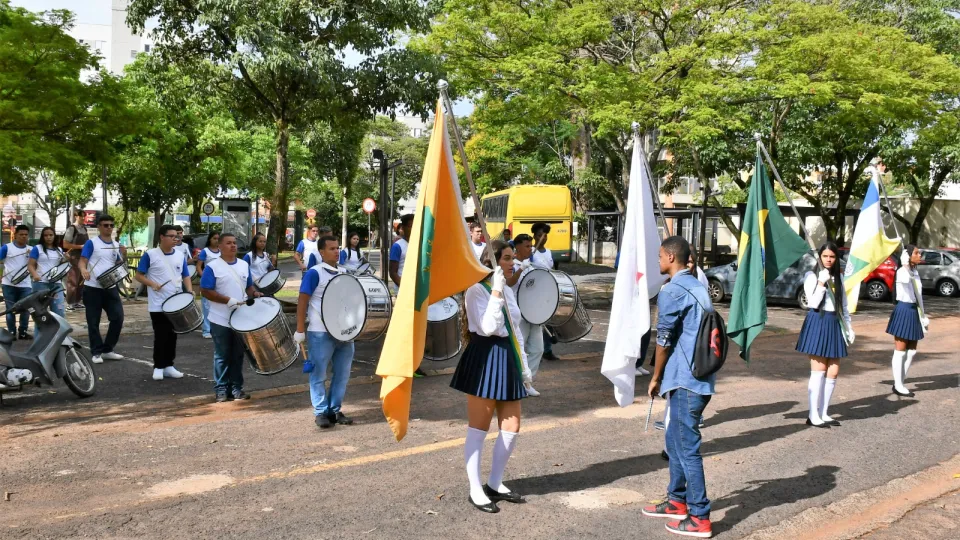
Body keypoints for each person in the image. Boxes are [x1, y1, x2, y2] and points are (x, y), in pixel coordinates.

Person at [449, 240, 531, 513]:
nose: (512, 263)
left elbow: (515, 328)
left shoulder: (505, 288)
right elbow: (488, 327)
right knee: (479, 427)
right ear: (493, 261)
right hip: (485, 358)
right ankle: (475, 488)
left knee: (512, 426)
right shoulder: (476, 290)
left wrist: (525, 366)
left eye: (512, 258)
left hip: (507, 358)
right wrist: (495, 291)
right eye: (507, 258)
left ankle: (495, 482)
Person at [642, 236, 715, 538]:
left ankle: (700, 516)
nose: (658, 260)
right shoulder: (699, 286)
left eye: (660, 255)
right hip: (698, 377)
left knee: (687, 449)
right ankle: (676, 501)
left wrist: (655, 376)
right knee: (674, 442)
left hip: (686, 380)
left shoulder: (672, 291)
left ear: (671, 257)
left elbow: (663, 340)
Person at [293, 235, 356, 429]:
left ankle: (334, 410)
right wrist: (300, 330)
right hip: (320, 332)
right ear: (321, 252)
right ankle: (320, 412)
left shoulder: (345, 273)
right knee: (318, 374)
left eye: (338, 248)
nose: (336, 251)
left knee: (342, 374)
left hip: (344, 332)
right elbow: (303, 300)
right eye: (331, 249)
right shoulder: (314, 273)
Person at [795, 241, 852, 428]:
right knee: (818, 371)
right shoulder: (811, 276)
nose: (828, 259)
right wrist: (821, 282)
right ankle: (813, 414)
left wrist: (849, 328)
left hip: (834, 322)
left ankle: (824, 412)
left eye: (832, 256)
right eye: (825, 256)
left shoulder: (839, 277)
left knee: (833, 370)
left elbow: (844, 306)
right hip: (818, 321)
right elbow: (812, 302)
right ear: (819, 257)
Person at [199, 233, 262, 402]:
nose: (233, 246)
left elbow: (248, 286)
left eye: (234, 243)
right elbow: (205, 291)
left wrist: (255, 293)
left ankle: (236, 388)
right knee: (222, 355)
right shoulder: (212, 267)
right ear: (219, 246)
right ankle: (221, 389)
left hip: (240, 318)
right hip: (220, 318)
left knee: (238, 354)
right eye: (228, 243)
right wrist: (227, 300)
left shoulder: (242, 265)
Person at [135, 224, 192, 381]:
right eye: (172, 236)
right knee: (161, 335)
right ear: (162, 237)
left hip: (176, 303)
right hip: (158, 304)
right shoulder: (151, 255)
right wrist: (152, 284)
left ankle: (169, 365)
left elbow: (185, 275)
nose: (176, 239)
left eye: (177, 236)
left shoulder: (180, 255)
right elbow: (138, 276)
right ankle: (158, 367)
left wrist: (189, 289)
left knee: (173, 335)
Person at [79, 214, 127, 364]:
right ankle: (96, 352)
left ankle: (108, 349)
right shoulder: (91, 243)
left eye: (111, 225)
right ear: (99, 227)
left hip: (110, 287)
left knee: (118, 318)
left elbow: (119, 263)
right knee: (93, 322)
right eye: (105, 225)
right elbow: (82, 261)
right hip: (92, 287)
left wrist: (123, 255)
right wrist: (83, 270)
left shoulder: (115, 244)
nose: (109, 228)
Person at [886, 245, 926, 397]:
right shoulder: (903, 271)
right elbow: (904, 280)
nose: (919, 254)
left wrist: (923, 315)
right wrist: (904, 265)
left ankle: (901, 380)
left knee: (912, 351)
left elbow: (919, 295)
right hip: (903, 309)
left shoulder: (915, 272)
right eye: (916, 253)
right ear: (908, 256)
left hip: (914, 310)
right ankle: (898, 384)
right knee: (900, 350)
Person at [506, 233, 541, 396]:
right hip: (519, 314)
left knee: (538, 349)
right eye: (527, 246)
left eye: (531, 246)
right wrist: (521, 268)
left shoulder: (531, 265)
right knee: (520, 350)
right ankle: (518, 382)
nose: (530, 249)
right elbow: (509, 282)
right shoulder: (512, 264)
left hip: (534, 313)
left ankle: (528, 382)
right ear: (518, 247)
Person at [530, 222, 559, 361]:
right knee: (535, 321)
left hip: (548, 289)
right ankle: (533, 350)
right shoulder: (530, 252)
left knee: (548, 320)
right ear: (534, 236)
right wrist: (534, 247)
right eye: (539, 235)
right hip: (535, 290)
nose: (543, 238)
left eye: (545, 235)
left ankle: (547, 350)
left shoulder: (548, 252)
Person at [1, 225, 35, 339]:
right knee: (10, 309)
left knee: (26, 309)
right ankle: (11, 332)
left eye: (26, 235)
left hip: (25, 285)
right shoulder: (7, 248)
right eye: (21, 234)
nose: (23, 237)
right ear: (15, 235)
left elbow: (38, 265)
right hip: (8, 284)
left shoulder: (31, 249)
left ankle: (23, 332)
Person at [27, 226, 67, 321]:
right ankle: (40, 335)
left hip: (56, 284)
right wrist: (35, 275)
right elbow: (30, 265)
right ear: (42, 237)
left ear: (54, 236)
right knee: (40, 313)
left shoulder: (59, 250)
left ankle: (59, 335)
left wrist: (66, 259)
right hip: (41, 283)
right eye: (46, 235)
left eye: (51, 235)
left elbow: (61, 267)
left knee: (59, 312)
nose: (48, 237)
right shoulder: (37, 248)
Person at [196, 232, 222, 339]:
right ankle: (206, 330)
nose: (216, 240)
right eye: (214, 238)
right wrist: (204, 278)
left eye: (218, 238)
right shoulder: (205, 252)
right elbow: (199, 267)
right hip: (208, 283)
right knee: (207, 307)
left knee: (219, 306)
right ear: (210, 239)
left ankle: (217, 329)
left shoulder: (222, 252)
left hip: (220, 281)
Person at [62, 209, 89, 310]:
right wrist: (80, 246)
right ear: (75, 216)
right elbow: (65, 244)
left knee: (81, 281)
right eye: (80, 216)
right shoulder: (71, 229)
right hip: (74, 257)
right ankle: (70, 303)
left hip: (83, 258)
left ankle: (77, 301)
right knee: (73, 281)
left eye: (83, 216)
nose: (82, 218)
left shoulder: (84, 229)